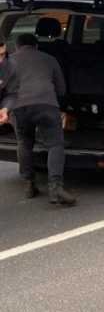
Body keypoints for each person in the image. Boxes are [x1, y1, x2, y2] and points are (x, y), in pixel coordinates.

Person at [5, 33, 75, 205]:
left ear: (16, 46)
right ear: (36, 46)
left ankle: (29, 184)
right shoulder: (50, 59)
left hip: (18, 107)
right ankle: (55, 188)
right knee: (55, 144)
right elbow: (61, 90)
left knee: (24, 142)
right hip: (46, 105)